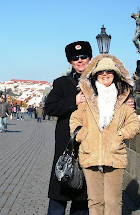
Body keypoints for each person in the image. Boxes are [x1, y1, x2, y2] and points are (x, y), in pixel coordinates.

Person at [69, 54, 140, 215]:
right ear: (95, 75)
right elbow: (75, 119)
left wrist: (120, 135)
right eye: (101, 72)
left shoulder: (122, 99)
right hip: (90, 153)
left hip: (115, 155)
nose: (105, 74)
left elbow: (134, 124)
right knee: (95, 202)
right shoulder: (88, 99)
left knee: (114, 202)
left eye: (109, 71)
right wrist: (82, 135)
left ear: (115, 75)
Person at [45, 41, 92, 215]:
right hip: (66, 149)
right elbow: (49, 108)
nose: (79, 60)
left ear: (89, 58)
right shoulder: (62, 83)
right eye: (75, 58)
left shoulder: (99, 82)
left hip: (89, 148)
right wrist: (73, 101)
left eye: (83, 57)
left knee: (82, 200)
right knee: (59, 197)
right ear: (70, 62)